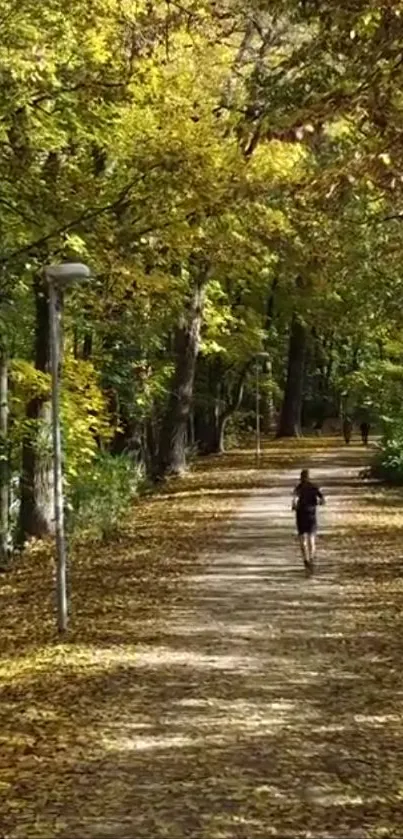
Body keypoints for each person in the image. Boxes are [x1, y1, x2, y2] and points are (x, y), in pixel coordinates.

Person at [292, 469, 325, 574]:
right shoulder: (314, 487)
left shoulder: (298, 487)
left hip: (300, 514)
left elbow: (295, 500)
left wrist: (294, 506)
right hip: (311, 514)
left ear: (300, 477)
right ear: (309, 477)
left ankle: (305, 559)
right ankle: (312, 558)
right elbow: (322, 500)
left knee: (302, 538)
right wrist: (319, 503)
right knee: (311, 538)